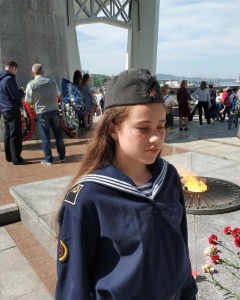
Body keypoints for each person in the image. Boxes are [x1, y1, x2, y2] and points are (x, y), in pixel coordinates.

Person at [55, 68, 198, 300]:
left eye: (161, 126)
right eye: (143, 128)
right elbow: (73, 282)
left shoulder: (168, 176)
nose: (156, 137)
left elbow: (180, 241)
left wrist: (189, 291)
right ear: (113, 129)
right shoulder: (88, 197)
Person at [25, 63, 65, 165]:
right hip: (54, 110)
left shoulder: (31, 84)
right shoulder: (52, 81)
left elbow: (28, 100)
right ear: (43, 72)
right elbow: (58, 94)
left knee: (45, 137)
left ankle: (48, 159)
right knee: (58, 135)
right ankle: (62, 156)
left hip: (42, 112)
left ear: (32, 73)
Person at [0, 60, 29, 165]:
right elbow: (15, 96)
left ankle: (9, 156)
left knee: (7, 133)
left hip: (4, 109)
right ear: (13, 68)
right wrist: (21, 91)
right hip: (12, 109)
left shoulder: (1, 79)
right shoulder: (9, 79)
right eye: (16, 70)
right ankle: (17, 158)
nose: (16, 72)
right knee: (15, 134)